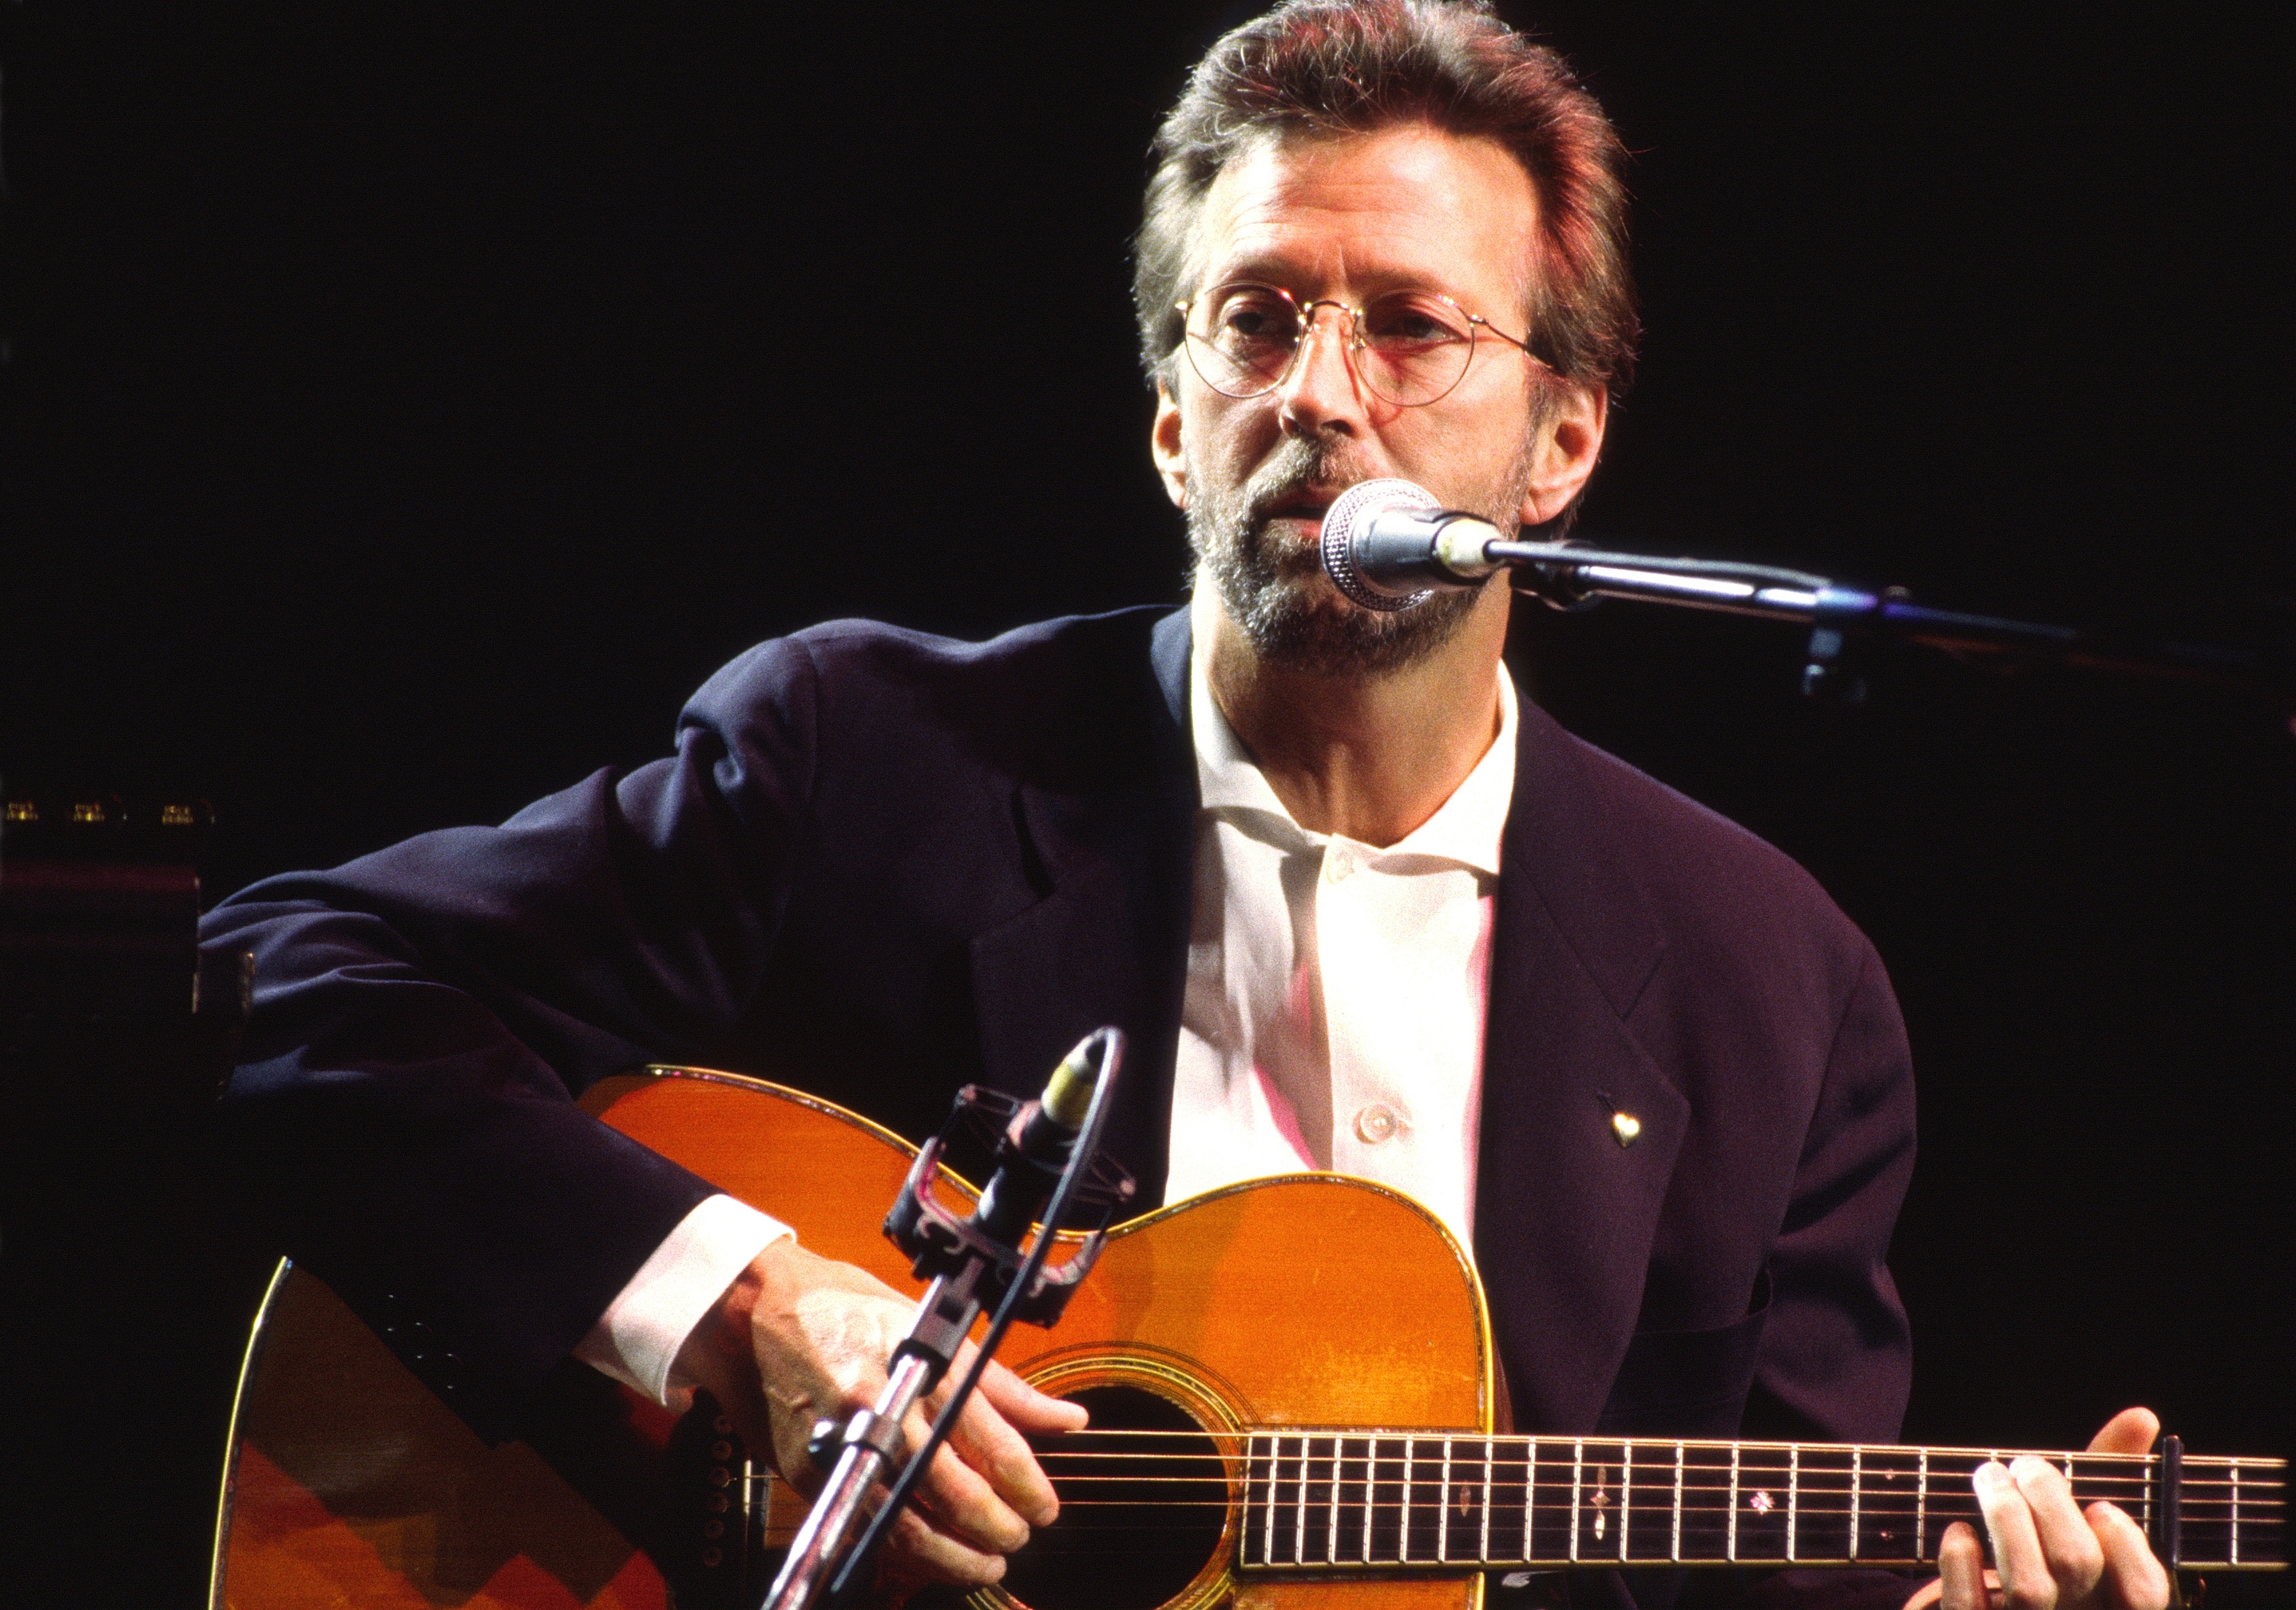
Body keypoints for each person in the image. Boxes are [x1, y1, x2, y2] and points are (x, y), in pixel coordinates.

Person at [200, 4, 2173, 1607]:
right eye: (1256, 318)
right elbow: (278, 977)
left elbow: (1783, 1565)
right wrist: (740, 1302)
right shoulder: (867, 763)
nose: (1318, 393)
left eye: (1409, 327)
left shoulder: (1772, 982)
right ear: (1170, 419)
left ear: (1561, 442)